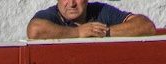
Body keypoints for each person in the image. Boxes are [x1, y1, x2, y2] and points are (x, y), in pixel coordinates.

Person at [27, 0, 155, 39]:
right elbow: (34, 30)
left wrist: (103, 31)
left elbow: (146, 26)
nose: (71, 4)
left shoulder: (100, 10)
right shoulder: (50, 15)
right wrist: (78, 33)